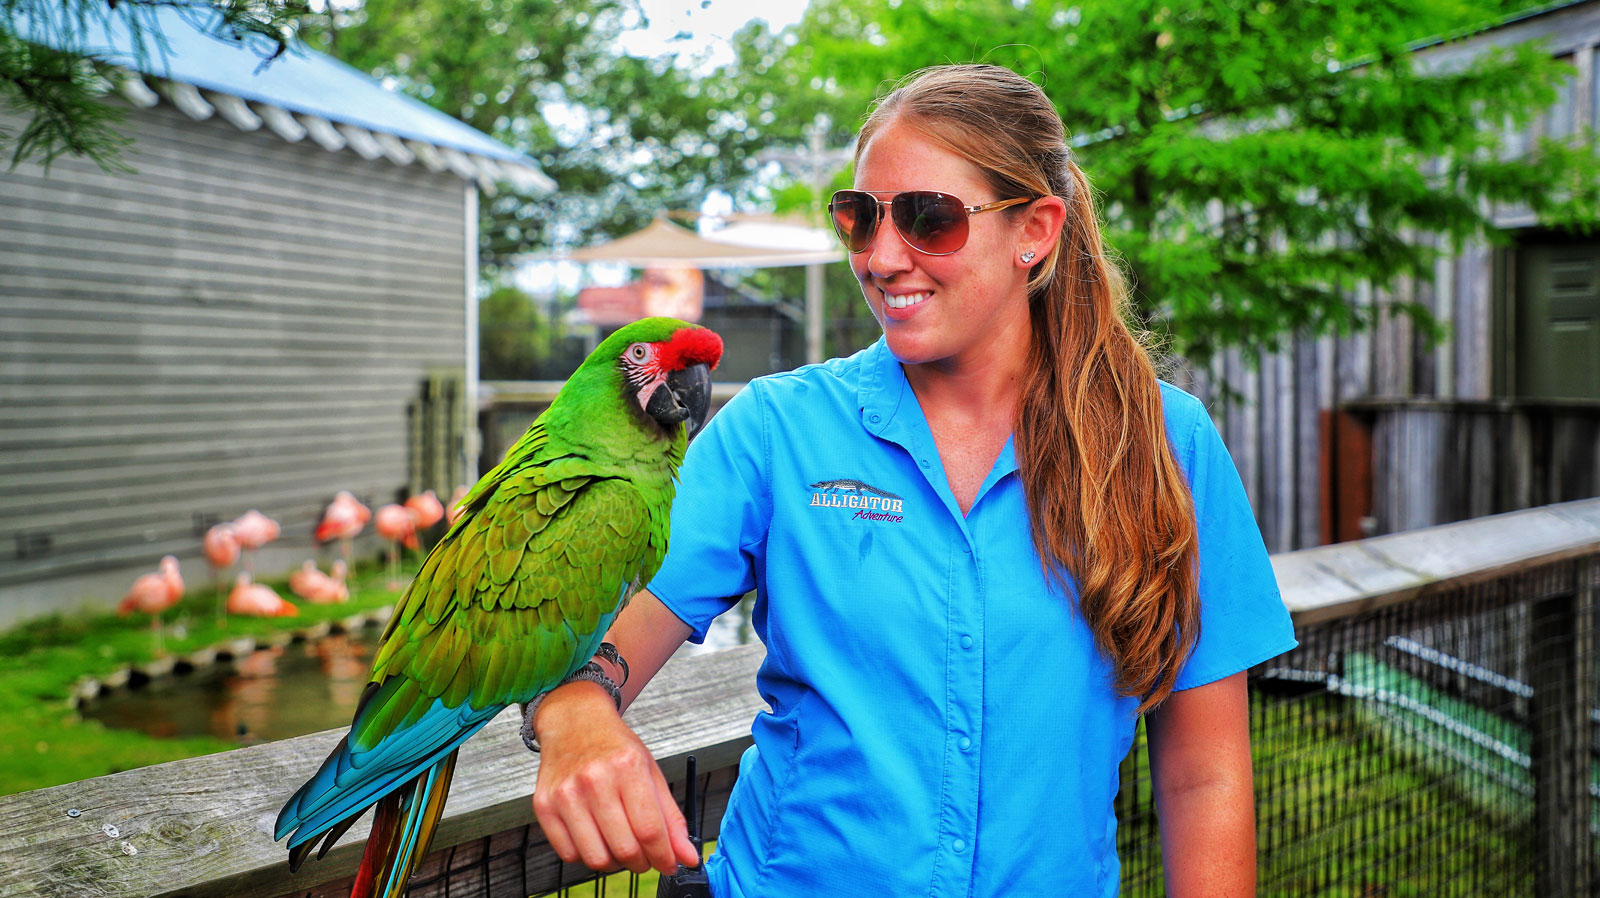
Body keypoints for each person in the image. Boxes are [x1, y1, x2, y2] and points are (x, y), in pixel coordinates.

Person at [528, 63, 1297, 898]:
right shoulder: (774, 432)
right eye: (861, 219)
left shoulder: (1166, 444)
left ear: (1035, 230)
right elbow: (597, 651)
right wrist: (576, 716)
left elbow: (1205, 777)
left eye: (930, 219)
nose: (884, 257)